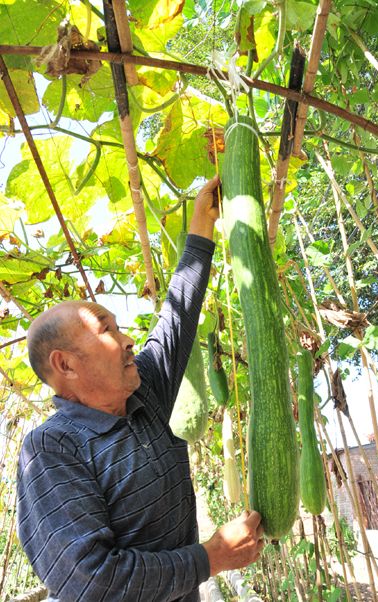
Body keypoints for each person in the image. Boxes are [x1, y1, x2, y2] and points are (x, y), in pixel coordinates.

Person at [17, 175, 264, 602]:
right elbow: (89, 580)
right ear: (65, 364)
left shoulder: (143, 393)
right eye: (106, 329)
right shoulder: (51, 448)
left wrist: (200, 228)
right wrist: (212, 557)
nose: (129, 338)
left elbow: (177, 318)